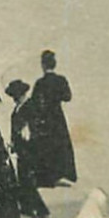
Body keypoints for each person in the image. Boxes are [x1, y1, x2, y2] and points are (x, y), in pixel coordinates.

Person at [26, 50, 76, 187]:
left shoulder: (40, 83)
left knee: (46, 146)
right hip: (57, 116)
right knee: (60, 143)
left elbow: (34, 102)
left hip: (45, 118)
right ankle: (63, 173)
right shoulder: (60, 80)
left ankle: (49, 177)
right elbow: (68, 97)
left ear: (43, 65)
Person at [4, 80, 49, 218]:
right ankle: (27, 207)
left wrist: (29, 130)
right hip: (21, 147)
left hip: (30, 148)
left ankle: (40, 210)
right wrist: (13, 143)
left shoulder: (30, 106)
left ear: (22, 93)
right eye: (13, 95)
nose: (14, 98)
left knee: (27, 179)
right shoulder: (17, 109)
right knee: (23, 178)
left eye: (16, 94)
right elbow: (15, 129)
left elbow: (38, 125)